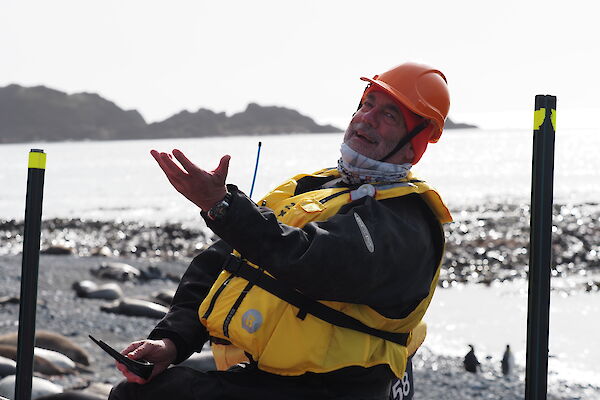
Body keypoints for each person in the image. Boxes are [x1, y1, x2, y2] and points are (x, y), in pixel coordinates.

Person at [109, 61, 452, 400]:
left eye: (389, 115)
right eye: (366, 104)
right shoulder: (312, 188)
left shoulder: (408, 224)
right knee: (138, 393)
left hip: (336, 390)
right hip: (267, 379)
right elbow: (222, 263)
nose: (366, 117)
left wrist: (222, 206)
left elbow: (314, 263)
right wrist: (172, 341)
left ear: (414, 143)